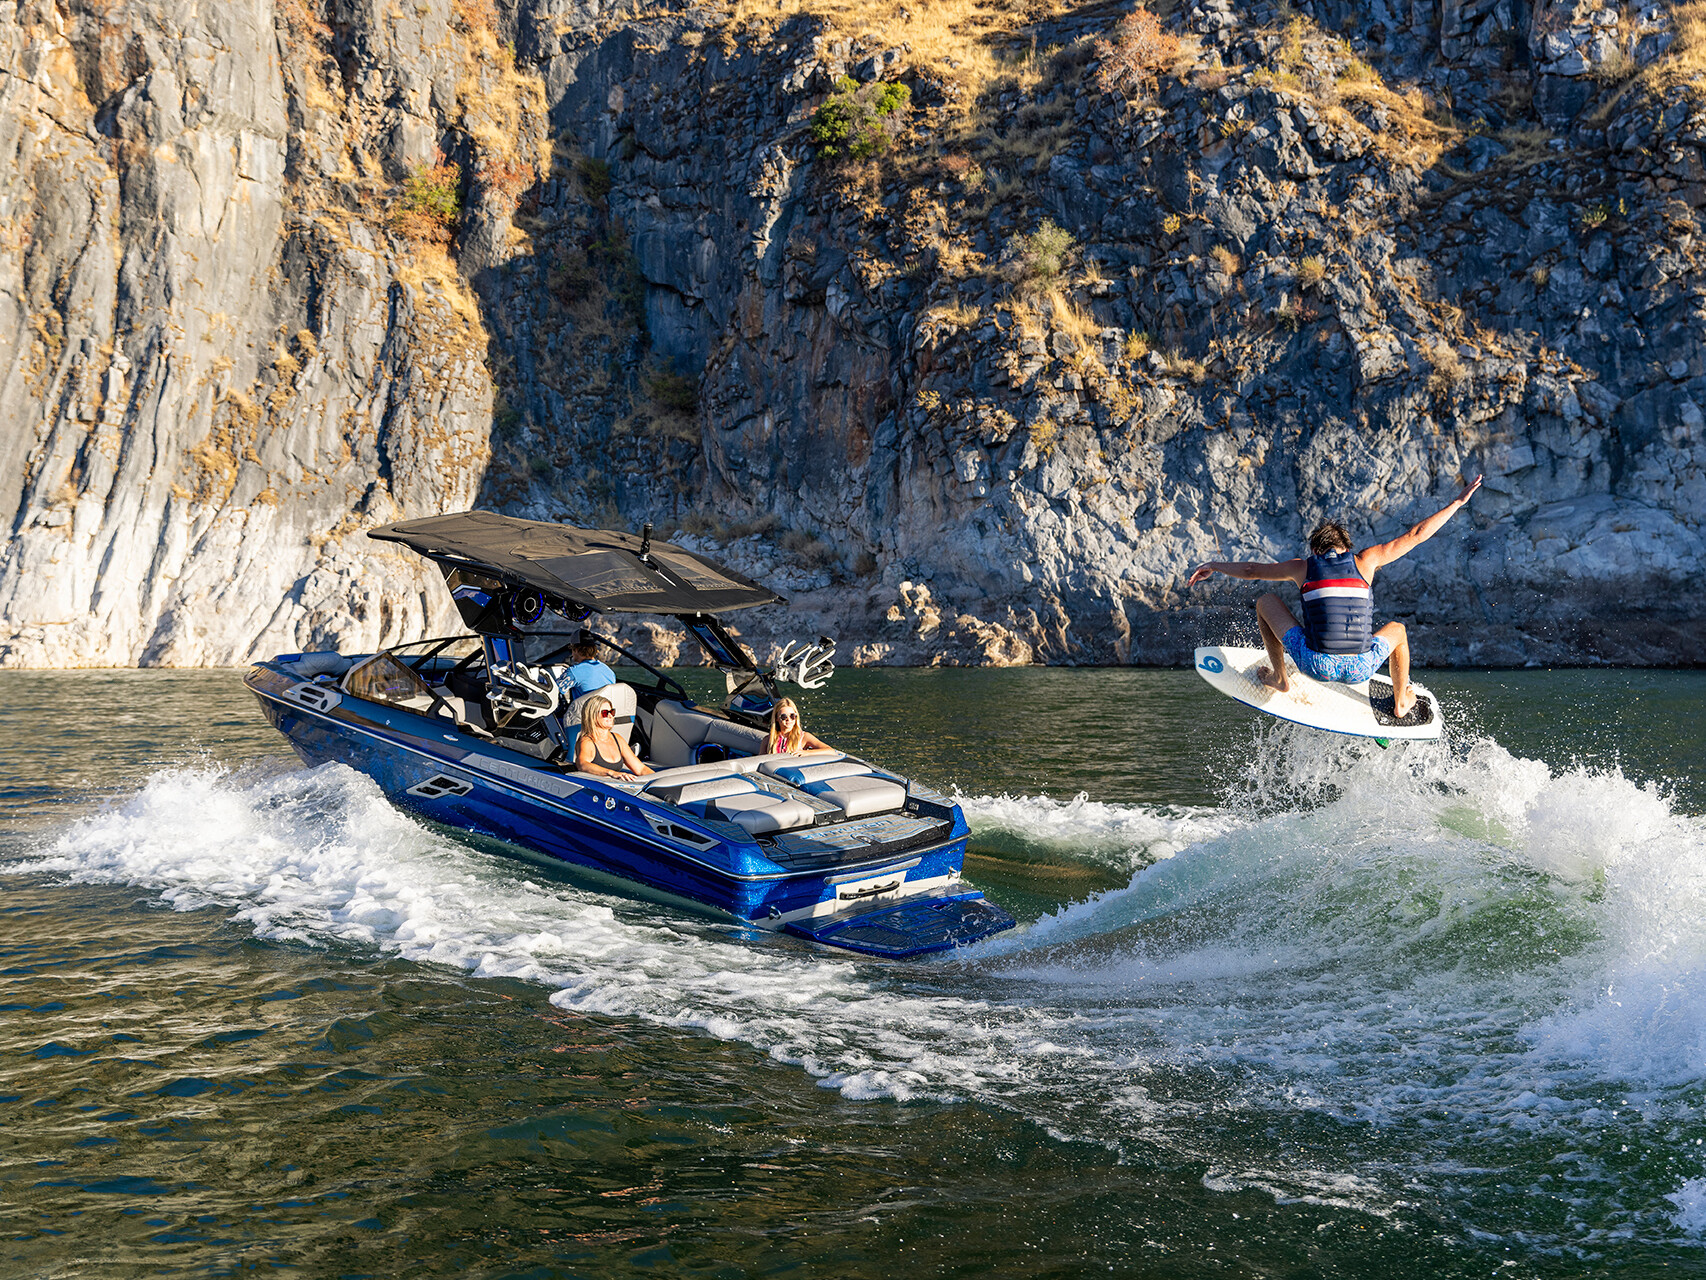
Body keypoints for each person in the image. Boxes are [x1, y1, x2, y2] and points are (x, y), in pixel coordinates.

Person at [1187, 477, 1482, 718]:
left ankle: (1280, 678)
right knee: (1399, 631)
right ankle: (1401, 699)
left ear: (1316, 550)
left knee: (1265, 602)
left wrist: (1213, 565)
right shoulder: (1367, 561)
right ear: (1346, 547)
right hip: (1361, 668)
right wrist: (1457, 503)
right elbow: (1417, 534)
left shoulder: (1302, 567)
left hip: (1316, 664)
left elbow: (1251, 570)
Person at [575, 693, 653, 780]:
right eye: (605, 713)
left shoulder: (617, 738)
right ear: (592, 716)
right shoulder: (587, 741)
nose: (610, 716)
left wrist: (656, 779)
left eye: (612, 712)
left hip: (615, 786)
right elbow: (582, 765)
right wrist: (612, 773)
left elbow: (641, 769)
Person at [555, 631, 615, 703]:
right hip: (605, 712)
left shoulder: (574, 672)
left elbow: (554, 690)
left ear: (576, 649)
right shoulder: (608, 671)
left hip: (584, 713)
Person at [765, 697, 832, 754]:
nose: (789, 719)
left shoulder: (804, 737)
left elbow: (830, 750)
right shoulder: (768, 739)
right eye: (784, 716)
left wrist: (806, 753)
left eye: (792, 716)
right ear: (776, 718)